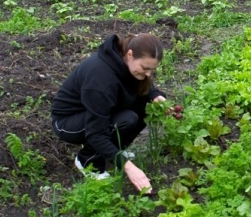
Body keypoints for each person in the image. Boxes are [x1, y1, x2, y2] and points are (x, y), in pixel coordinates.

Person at [51, 33, 166, 193]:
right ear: (130, 54)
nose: (148, 74)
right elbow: (95, 132)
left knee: (145, 106)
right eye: (145, 68)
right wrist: (128, 167)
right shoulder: (101, 79)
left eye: (152, 70)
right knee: (125, 120)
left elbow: (144, 86)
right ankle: (87, 160)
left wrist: (155, 96)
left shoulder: (126, 63)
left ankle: (112, 150)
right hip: (69, 122)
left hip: (98, 111)